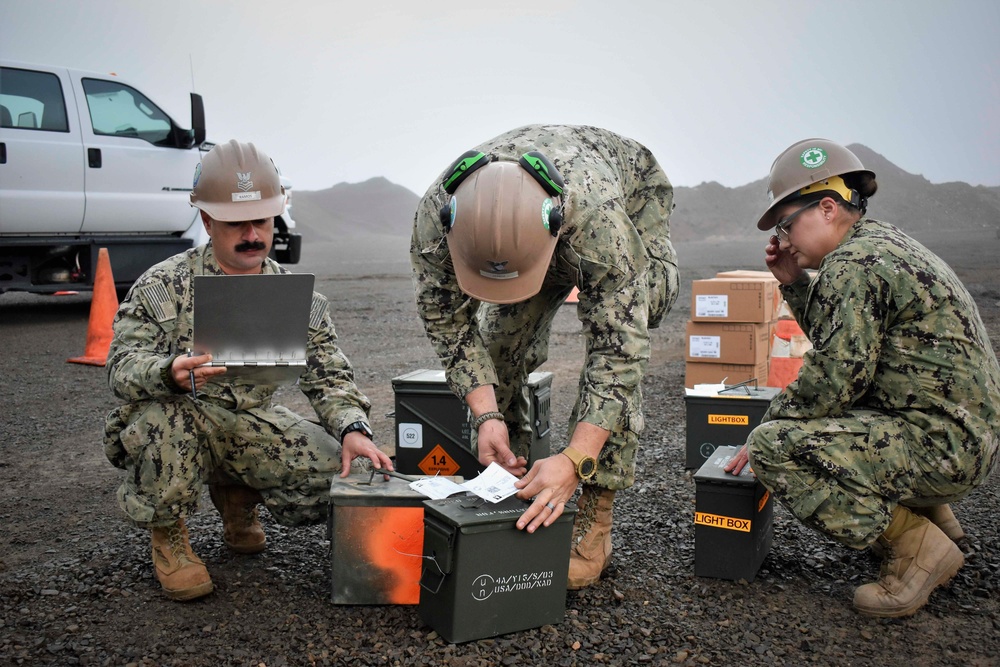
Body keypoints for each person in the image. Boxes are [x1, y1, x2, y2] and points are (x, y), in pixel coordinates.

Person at [103, 140, 393, 601]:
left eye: (261, 220)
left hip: (251, 420)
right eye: (236, 223)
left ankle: (236, 496)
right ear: (207, 221)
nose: (252, 234)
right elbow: (120, 368)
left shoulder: (295, 297)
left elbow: (329, 375)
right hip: (180, 418)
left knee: (335, 479)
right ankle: (169, 535)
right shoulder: (163, 285)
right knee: (164, 423)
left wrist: (353, 428)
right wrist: (168, 372)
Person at [725, 138, 1000, 617]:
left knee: (775, 446)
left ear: (828, 207)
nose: (785, 238)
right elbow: (847, 341)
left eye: (789, 224)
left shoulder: (854, 265)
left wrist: (762, 430)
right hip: (961, 435)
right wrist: (794, 281)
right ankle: (933, 517)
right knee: (838, 412)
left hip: (942, 446)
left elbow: (834, 378)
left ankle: (918, 550)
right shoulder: (878, 245)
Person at [411, 124, 680, 589]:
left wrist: (577, 458)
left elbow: (620, 351)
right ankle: (510, 478)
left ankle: (593, 516)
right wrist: (486, 413)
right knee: (499, 342)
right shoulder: (436, 223)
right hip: (527, 237)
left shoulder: (601, 227)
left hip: (629, 203)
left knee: (631, 335)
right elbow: (448, 325)